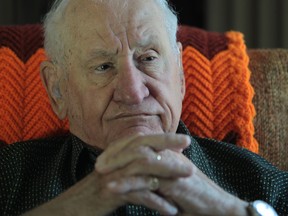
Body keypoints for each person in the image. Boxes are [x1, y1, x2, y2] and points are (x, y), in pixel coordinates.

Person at [0, 0, 287, 215]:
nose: (134, 93)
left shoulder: (262, 183)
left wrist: (226, 209)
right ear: (57, 90)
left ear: (181, 74)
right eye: (103, 67)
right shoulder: (10, 178)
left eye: (148, 59)